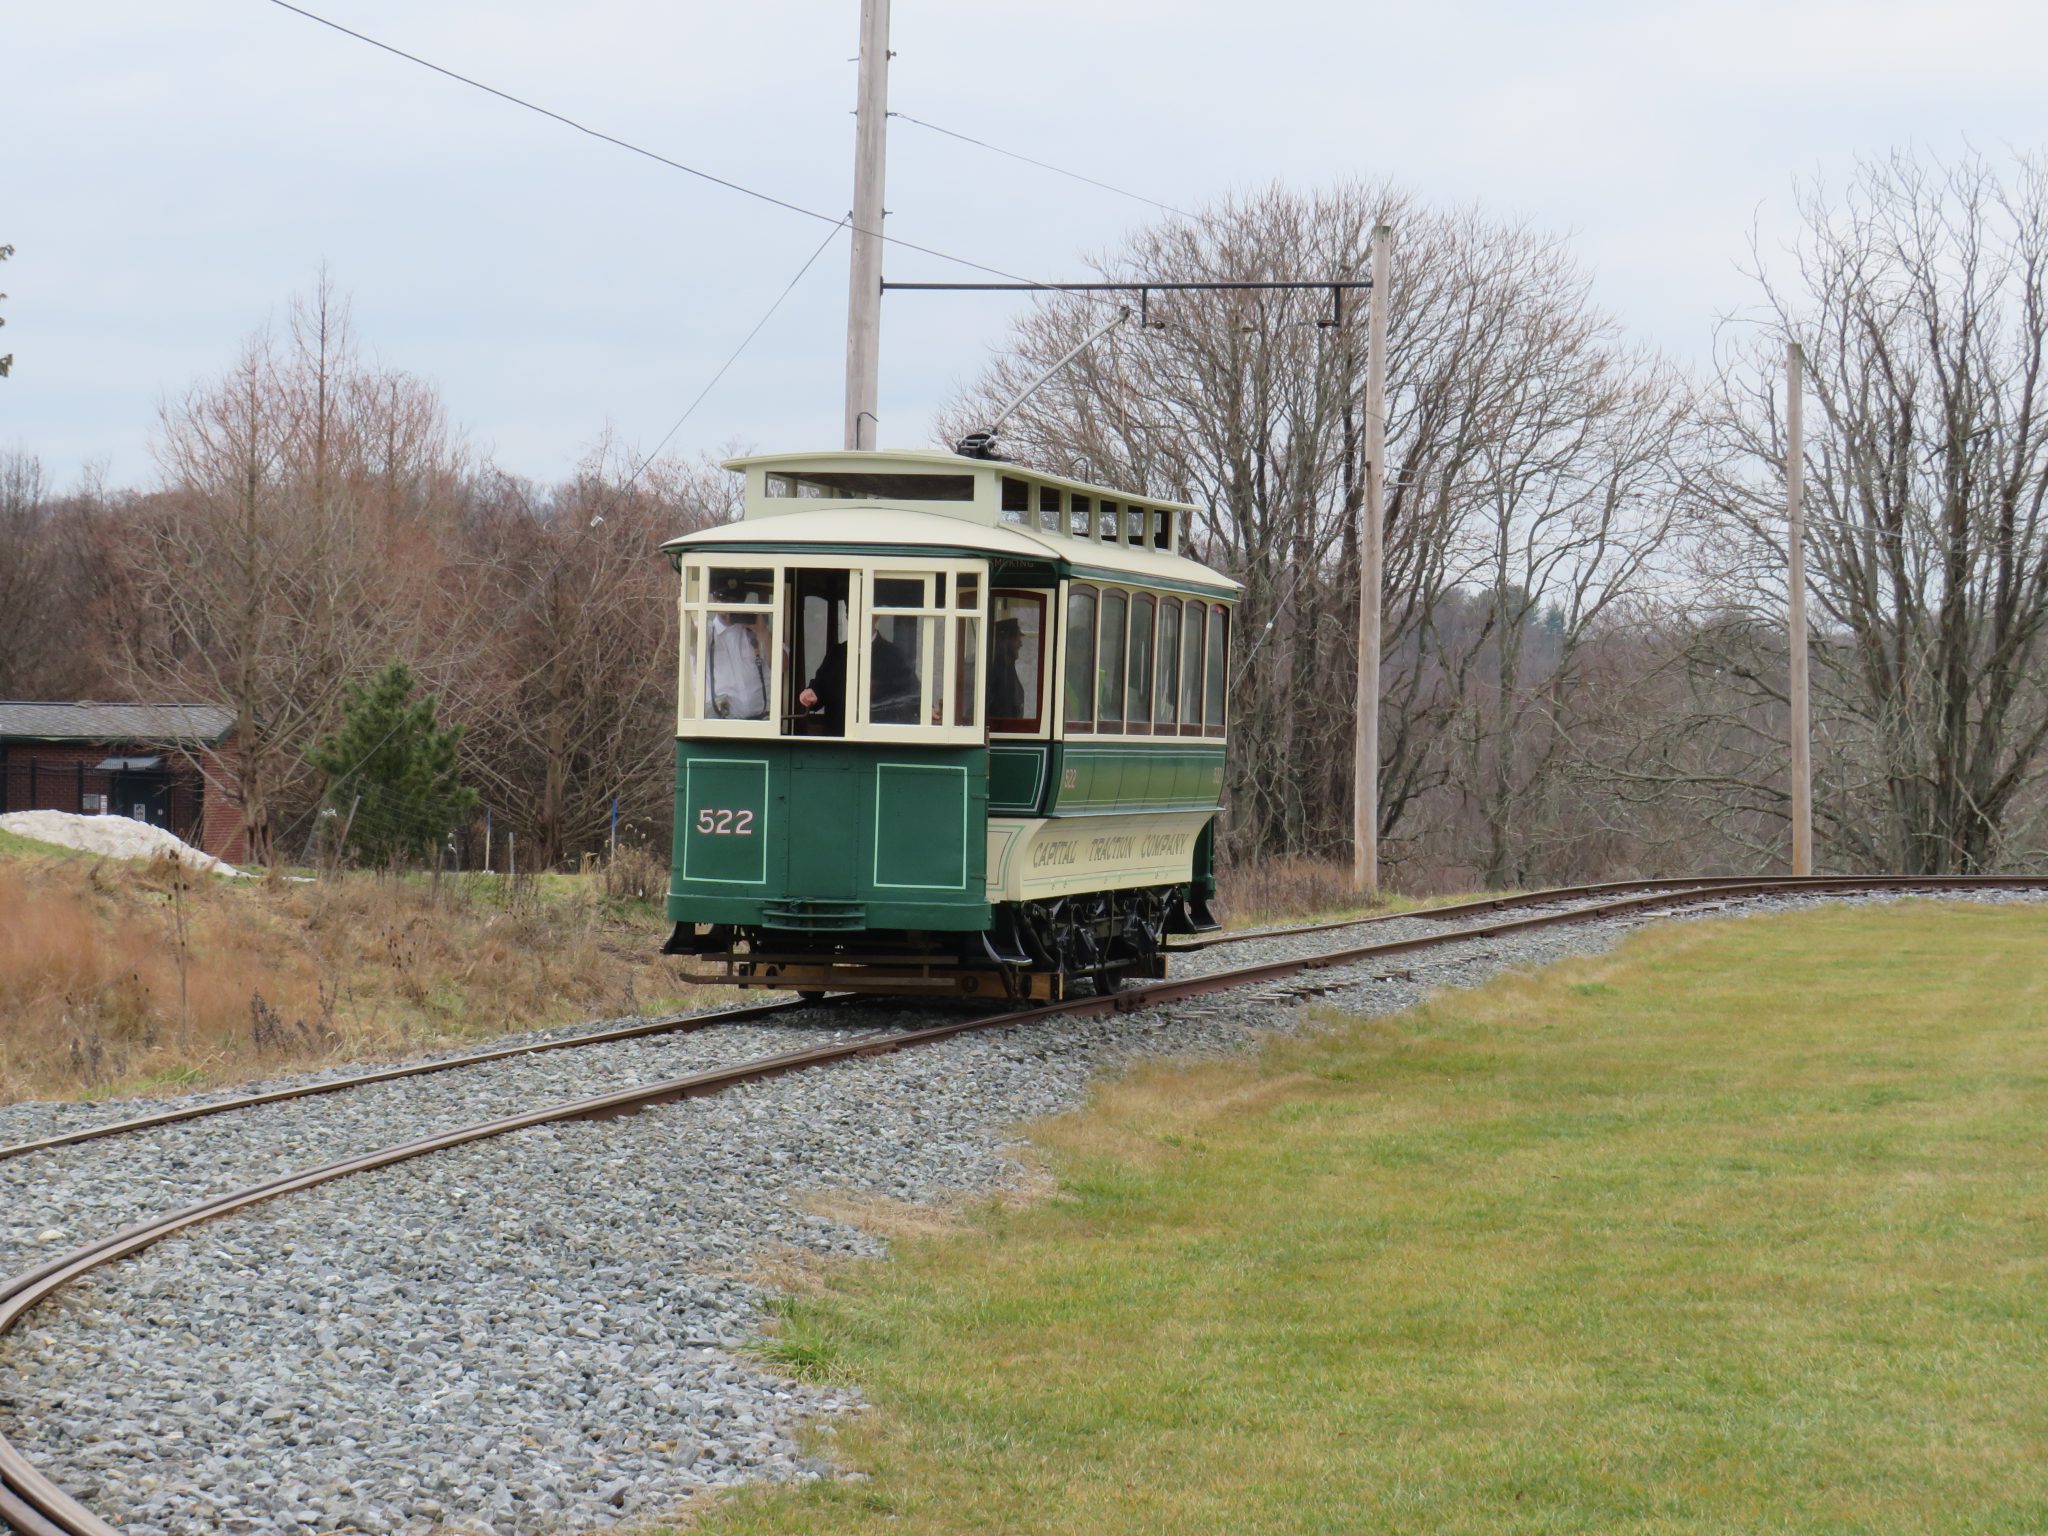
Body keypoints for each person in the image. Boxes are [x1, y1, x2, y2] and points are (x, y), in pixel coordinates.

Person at [799, 623, 922, 731]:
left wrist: (926, 710)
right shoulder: (837, 653)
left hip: (879, 742)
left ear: (876, 616)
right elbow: (820, 686)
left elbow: (912, 691)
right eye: (850, 614)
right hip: (838, 740)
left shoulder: (893, 654)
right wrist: (812, 694)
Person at [709, 607, 769, 720]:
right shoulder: (708, 633)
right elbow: (691, 634)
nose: (728, 605)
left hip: (762, 723)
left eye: (734, 600)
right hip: (722, 726)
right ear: (714, 601)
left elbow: (783, 665)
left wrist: (763, 633)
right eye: (724, 601)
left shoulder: (752, 631)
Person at [987, 616, 1028, 721]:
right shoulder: (994, 671)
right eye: (1016, 639)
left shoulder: (1007, 668)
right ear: (1005, 641)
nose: (1021, 644)